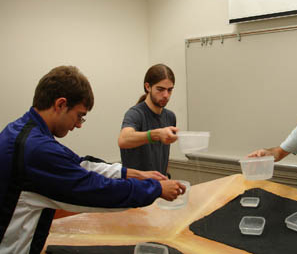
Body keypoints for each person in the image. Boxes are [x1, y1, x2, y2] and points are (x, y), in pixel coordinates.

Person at [0, 66, 186, 254]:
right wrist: (156, 189)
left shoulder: (25, 132)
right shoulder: (36, 150)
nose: (79, 124)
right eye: (79, 115)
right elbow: (96, 190)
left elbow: (80, 164)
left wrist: (132, 173)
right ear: (60, 104)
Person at [118, 64, 178, 176]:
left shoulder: (170, 117)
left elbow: (163, 154)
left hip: (159, 186)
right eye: (160, 89)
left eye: (170, 90)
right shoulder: (135, 114)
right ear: (148, 87)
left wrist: (166, 175)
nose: (166, 95)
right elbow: (123, 140)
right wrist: (156, 134)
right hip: (136, 189)